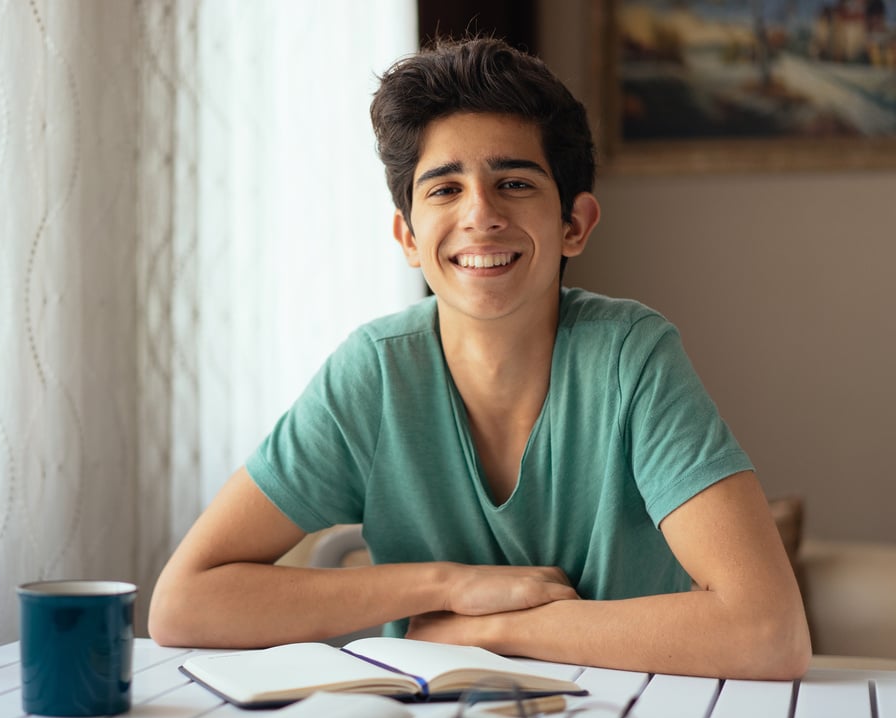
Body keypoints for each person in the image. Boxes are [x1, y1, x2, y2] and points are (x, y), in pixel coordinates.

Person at [148, 36, 810, 680]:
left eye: (514, 182)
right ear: (408, 236)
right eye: (443, 189)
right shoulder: (374, 373)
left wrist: (493, 627)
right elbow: (183, 604)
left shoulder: (631, 357)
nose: (479, 214)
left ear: (574, 224)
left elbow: (768, 633)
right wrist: (451, 585)